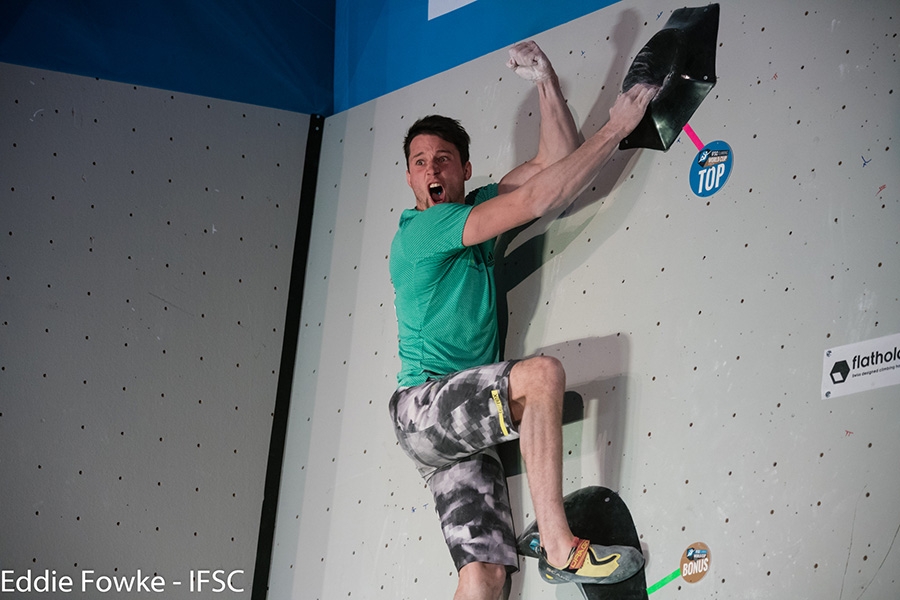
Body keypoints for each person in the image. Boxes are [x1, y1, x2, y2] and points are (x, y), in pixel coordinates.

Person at [388, 40, 656, 600]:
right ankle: (560, 548)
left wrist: (545, 80)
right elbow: (539, 198)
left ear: (463, 169)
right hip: (425, 408)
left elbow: (556, 162)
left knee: (486, 578)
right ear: (411, 181)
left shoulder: (475, 207)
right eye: (419, 162)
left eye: (442, 159)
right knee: (540, 376)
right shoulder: (424, 232)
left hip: (459, 436)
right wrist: (618, 126)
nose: (431, 169)